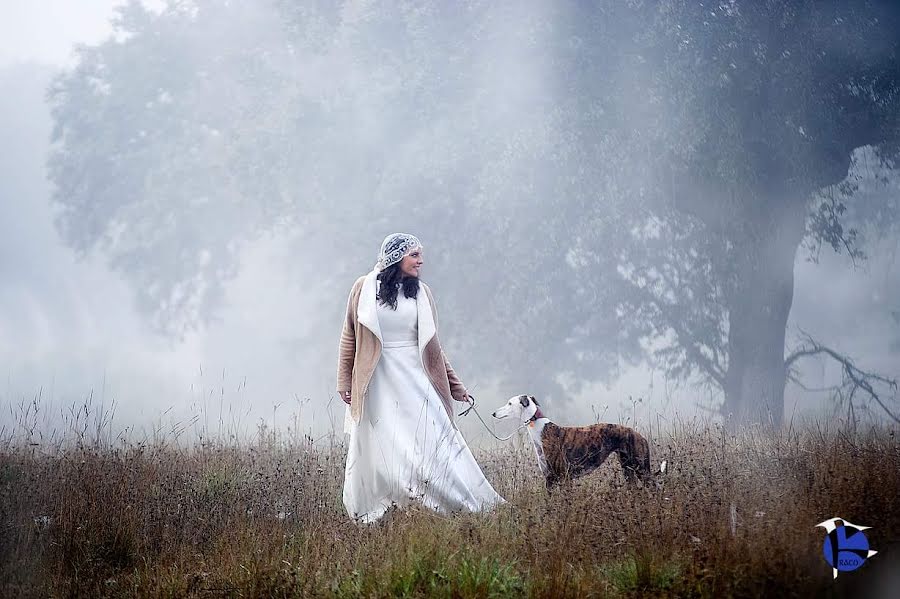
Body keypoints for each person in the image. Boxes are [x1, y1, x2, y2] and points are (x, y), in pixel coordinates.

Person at [336, 233, 504, 524]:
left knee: (433, 438)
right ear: (395, 257)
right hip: (378, 383)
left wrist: (455, 386)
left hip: (415, 379)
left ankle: (447, 501)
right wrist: (344, 381)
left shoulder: (421, 293)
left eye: (420, 255)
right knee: (386, 444)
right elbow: (349, 336)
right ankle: (395, 505)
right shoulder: (363, 289)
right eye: (414, 255)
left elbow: (434, 348)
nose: (421, 260)